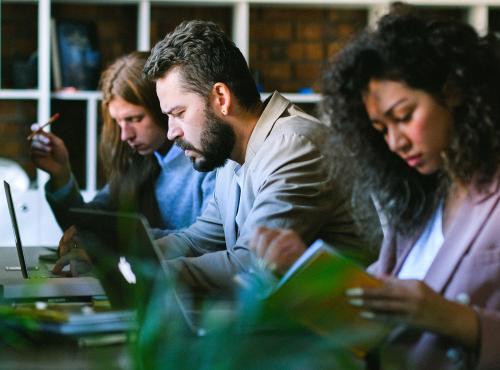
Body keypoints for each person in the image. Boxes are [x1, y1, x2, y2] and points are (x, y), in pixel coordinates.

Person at [251, 14, 500, 369]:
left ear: (454, 91)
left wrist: (453, 318)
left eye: (404, 115)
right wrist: (306, 272)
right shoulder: (418, 197)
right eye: (381, 129)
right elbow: (374, 313)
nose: (395, 142)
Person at [142, 20, 367, 294]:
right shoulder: (231, 156)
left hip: (339, 331)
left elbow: (252, 263)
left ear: (221, 98)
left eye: (179, 114)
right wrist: (114, 252)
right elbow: (198, 241)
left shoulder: (294, 146)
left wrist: (144, 270)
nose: (170, 133)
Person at [30, 51, 215, 274]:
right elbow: (87, 224)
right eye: (118, 122)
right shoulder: (137, 160)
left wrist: (113, 237)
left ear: (164, 108)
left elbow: (206, 243)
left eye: (135, 119)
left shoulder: (208, 163)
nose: (125, 135)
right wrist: (61, 175)